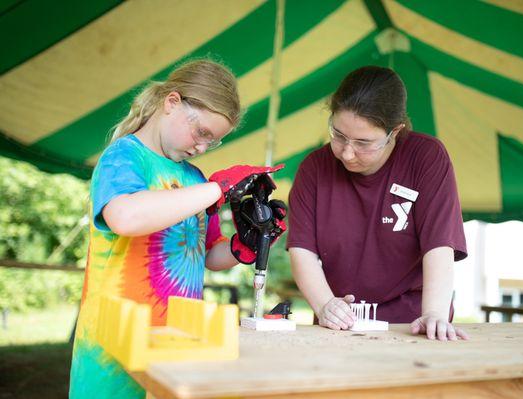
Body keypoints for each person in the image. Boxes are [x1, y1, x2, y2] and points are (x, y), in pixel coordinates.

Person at [69, 59, 284, 399]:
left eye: (213, 142)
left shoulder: (195, 179)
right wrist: (218, 189)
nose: (202, 147)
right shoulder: (123, 157)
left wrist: (246, 244)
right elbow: (125, 217)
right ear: (171, 103)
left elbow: (207, 255)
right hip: (113, 352)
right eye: (202, 133)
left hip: (177, 347)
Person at [287, 66, 468, 341]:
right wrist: (325, 305)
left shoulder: (427, 158)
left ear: (395, 132)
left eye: (364, 143)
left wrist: (434, 314)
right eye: (338, 135)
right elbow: (302, 250)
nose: (347, 153)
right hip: (340, 326)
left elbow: (439, 245)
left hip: (411, 325)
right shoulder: (314, 169)